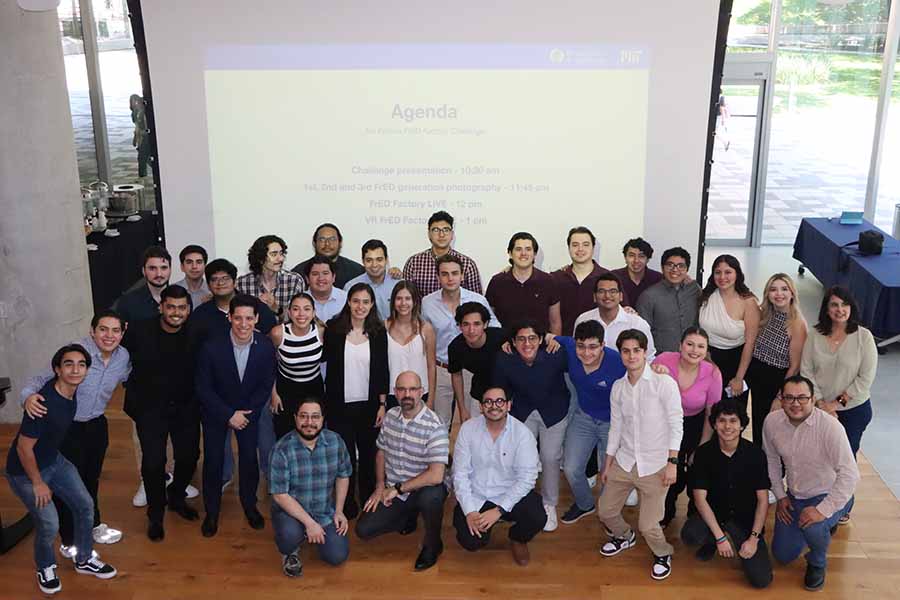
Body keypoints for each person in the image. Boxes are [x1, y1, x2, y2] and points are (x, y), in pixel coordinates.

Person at [6, 345, 117, 595]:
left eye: (81, 364)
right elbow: (24, 448)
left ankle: (84, 558)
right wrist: (38, 482)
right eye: (68, 364)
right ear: (57, 369)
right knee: (49, 524)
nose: (75, 369)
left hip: (54, 461)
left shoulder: (72, 389)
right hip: (24, 472)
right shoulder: (43, 404)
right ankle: (45, 567)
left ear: (87, 370)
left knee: (85, 505)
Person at [19, 311, 131, 556]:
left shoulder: (123, 357)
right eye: (103, 329)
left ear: (123, 333)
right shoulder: (74, 354)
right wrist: (27, 396)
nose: (109, 335)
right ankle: (69, 537)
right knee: (68, 484)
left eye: (115, 330)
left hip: (97, 424)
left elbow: (129, 378)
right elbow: (39, 378)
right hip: (67, 428)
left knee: (92, 478)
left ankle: (93, 525)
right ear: (92, 331)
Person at [597, 329, 682, 581]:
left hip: (656, 464)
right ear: (621, 354)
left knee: (648, 525)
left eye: (637, 350)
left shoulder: (663, 382)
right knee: (605, 511)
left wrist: (672, 463)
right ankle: (624, 536)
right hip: (624, 461)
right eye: (626, 351)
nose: (631, 355)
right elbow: (616, 426)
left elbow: (676, 423)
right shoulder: (618, 388)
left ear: (645, 352)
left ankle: (663, 553)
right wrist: (608, 463)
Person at [764, 375, 860, 592]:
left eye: (802, 398)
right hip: (794, 495)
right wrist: (780, 496)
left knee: (815, 526)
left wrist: (822, 510)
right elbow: (770, 460)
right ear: (781, 398)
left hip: (826, 493)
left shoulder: (830, 427)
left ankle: (817, 561)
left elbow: (850, 474)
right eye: (789, 397)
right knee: (783, 555)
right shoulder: (772, 422)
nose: (795, 403)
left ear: (813, 399)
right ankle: (820, 527)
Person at [122, 285, 201, 540]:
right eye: (171, 307)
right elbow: (116, 355)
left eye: (181, 308)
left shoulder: (196, 332)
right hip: (150, 407)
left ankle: (176, 497)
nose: (176, 313)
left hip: (185, 406)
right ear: (161, 307)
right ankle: (155, 514)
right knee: (154, 462)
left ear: (188, 310)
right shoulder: (139, 331)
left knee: (189, 456)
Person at [195, 294, 277, 537]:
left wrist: (246, 413)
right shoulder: (211, 346)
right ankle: (211, 512)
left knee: (249, 461)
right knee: (213, 462)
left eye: (249, 318)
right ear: (229, 317)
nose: (243, 324)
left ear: (257, 319)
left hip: (249, 413)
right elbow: (203, 387)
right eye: (238, 318)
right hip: (216, 412)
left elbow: (266, 384)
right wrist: (228, 414)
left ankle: (250, 505)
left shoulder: (264, 345)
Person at [356, 371, 449, 571]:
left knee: (432, 497)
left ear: (421, 392)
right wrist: (380, 485)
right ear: (395, 393)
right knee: (363, 530)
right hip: (394, 489)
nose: (407, 394)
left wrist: (398, 489)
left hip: (423, 487)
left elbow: (436, 475)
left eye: (413, 389)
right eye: (402, 389)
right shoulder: (390, 416)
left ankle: (433, 545)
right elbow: (381, 451)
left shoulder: (435, 425)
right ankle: (408, 516)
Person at [801, 286, 876, 525]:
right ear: (826, 308)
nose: (839, 309)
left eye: (844, 304)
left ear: (851, 308)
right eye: (834, 305)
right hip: (818, 407)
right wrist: (822, 403)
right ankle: (819, 501)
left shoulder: (864, 337)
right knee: (819, 457)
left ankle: (841, 508)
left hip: (853, 410)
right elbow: (806, 371)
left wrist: (835, 404)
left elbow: (865, 378)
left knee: (845, 460)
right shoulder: (814, 334)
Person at [681, 399, 772, 589]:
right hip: (715, 515)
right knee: (690, 534)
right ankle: (713, 540)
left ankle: (735, 539)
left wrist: (754, 539)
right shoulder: (704, 454)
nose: (727, 426)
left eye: (733, 420)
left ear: (742, 425)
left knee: (762, 580)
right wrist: (720, 537)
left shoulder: (756, 454)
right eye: (722, 420)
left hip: (744, 521)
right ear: (714, 424)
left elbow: (763, 501)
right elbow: (699, 498)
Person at [452, 386, 546, 565]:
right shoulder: (468, 429)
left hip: (508, 494)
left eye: (499, 401)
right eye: (488, 401)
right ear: (481, 406)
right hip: (477, 496)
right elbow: (460, 474)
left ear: (508, 405)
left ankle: (517, 538)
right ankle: (481, 523)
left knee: (537, 516)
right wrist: (470, 511)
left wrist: (499, 510)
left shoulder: (522, 434)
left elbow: (527, 479)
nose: (493, 406)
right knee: (471, 543)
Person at [493, 320, 570, 532]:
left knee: (549, 456)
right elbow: (500, 388)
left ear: (540, 340)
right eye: (521, 339)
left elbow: (580, 347)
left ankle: (549, 503)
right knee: (519, 455)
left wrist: (557, 338)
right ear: (513, 342)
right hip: (523, 411)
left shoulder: (555, 353)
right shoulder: (505, 358)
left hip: (553, 412)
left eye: (532, 338)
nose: (527, 343)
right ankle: (513, 498)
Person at [322, 283, 389, 519]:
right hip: (340, 405)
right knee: (346, 456)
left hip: (369, 405)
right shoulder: (334, 330)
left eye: (366, 302)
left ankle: (369, 498)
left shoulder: (379, 332)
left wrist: (382, 405)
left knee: (369, 455)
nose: (361, 306)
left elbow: (382, 371)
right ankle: (347, 500)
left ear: (372, 305)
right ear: (348, 302)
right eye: (356, 301)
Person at [269, 397, 351, 578]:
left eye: (315, 417)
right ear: (295, 418)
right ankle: (290, 551)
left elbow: (343, 475)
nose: (309, 422)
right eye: (303, 416)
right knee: (289, 535)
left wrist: (339, 511)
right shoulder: (281, 449)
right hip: (291, 513)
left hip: (323, 510)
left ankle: (312, 536)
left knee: (337, 556)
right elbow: (280, 495)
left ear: (323, 419)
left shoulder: (336, 442)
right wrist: (310, 524)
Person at [558, 320, 626, 525]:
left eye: (593, 347)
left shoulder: (618, 362)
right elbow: (545, 337)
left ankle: (608, 513)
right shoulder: (569, 347)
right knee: (570, 467)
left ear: (603, 345)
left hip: (612, 423)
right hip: (584, 417)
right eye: (581, 346)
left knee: (608, 474)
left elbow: (642, 372)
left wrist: (659, 369)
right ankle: (585, 503)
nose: (586, 353)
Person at [652, 327, 722, 527]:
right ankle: (666, 511)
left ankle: (695, 513)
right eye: (690, 344)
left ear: (706, 350)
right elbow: (644, 387)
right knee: (668, 468)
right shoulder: (663, 360)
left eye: (701, 346)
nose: (694, 350)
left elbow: (711, 414)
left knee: (696, 467)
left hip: (696, 423)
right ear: (680, 345)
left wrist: (701, 447)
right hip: (664, 422)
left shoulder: (713, 373)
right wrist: (653, 372)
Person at [421, 254, 498, 427]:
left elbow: (495, 329)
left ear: (462, 275)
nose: (450, 278)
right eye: (445, 274)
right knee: (439, 423)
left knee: (473, 420)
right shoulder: (427, 303)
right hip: (441, 369)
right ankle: (442, 454)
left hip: (471, 369)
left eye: (455, 273)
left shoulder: (477, 300)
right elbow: (423, 337)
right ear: (437, 276)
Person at [745, 273, 807, 445]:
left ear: (792, 293)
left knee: (774, 431)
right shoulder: (764, 314)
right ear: (767, 294)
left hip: (776, 380)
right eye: (773, 289)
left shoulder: (797, 323)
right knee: (759, 424)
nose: (779, 294)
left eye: (784, 289)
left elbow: (795, 367)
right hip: (756, 375)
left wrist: (781, 397)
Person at [698, 254, 759, 408]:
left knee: (732, 412)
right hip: (707, 359)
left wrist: (739, 377)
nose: (722, 277)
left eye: (728, 272)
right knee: (708, 408)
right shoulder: (707, 296)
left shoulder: (748, 302)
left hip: (736, 363)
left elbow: (750, 343)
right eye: (718, 272)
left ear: (737, 274)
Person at [268, 293, 325, 440]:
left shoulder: (321, 331)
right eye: (296, 309)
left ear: (313, 313)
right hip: (286, 388)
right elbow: (268, 364)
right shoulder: (278, 333)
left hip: (314, 387)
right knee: (285, 434)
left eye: (306, 309)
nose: (301, 314)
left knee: (313, 432)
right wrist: (274, 394)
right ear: (289, 312)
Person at [485, 232, 561, 334]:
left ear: (534, 254)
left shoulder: (548, 281)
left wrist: (554, 345)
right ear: (510, 253)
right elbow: (489, 319)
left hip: (540, 346)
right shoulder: (497, 282)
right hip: (505, 346)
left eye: (528, 249)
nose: (523, 253)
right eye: (518, 249)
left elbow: (555, 322)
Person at [574, 273, 657, 360]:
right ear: (594, 296)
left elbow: (649, 358)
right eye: (601, 291)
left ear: (621, 296)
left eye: (613, 291)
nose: (607, 296)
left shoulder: (637, 324)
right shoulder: (583, 320)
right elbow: (577, 350)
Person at [448, 302, 507, 422]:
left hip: (507, 394)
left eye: (477, 324)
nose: (471, 330)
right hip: (479, 393)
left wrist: (551, 338)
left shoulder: (501, 336)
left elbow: (529, 337)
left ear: (485, 324)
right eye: (466, 324)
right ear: (459, 326)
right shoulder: (455, 347)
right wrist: (462, 408)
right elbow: (456, 375)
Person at [635, 246, 701, 353]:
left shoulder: (695, 290)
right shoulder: (648, 296)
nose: (675, 269)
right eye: (670, 265)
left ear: (687, 269)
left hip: (692, 356)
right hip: (661, 358)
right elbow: (642, 333)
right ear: (662, 268)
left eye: (681, 266)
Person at [403, 210, 483, 296]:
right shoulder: (414, 263)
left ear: (452, 234)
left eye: (446, 229)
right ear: (429, 234)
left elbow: (476, 300)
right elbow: (407, 297)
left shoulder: (467, 264)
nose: (441, 235)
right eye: (436, 230)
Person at [385, 281, 437, 410]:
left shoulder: (426, 329)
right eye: (399, 298)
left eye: (408, 298)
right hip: (392, 394)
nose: (403, 303)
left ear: (415, 302)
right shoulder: (383, 327)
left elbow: (431, 366)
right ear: (393, 301)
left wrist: (430, 400)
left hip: (420, 394)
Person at [551, 226, 611, 336]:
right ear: (568, 247)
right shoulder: (555, 279)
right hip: (564, 346)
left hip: (598, 347)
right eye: (575, 245)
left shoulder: (608, 278)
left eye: (585, 245)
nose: (580, 249)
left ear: (593, 247)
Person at [236, 234, 306, 321]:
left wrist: (276, 308)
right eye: (274, 254)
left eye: (281, 253)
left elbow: (299, 319)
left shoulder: (294, 281)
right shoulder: (242, 283)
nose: (280, 259)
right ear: (260, 258)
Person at [292, 223, 365, 289]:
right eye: (322, 239)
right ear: (314, 243)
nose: (327, 244)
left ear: (340, 243)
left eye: (332, 239)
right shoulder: (299, 273)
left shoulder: (357, 272)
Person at [113, 245, 171, 325]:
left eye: (163, 268)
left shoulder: (181, 299)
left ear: (170, 270)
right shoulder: (127, 303)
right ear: (143, 271)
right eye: (152, 268)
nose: (159, 274)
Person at [345, 239, 401, 320]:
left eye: (379, 259)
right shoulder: (351, 286)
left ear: (386, 260)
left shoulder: (398, 285)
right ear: (363, 261)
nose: (374, 265)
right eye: (369, 260)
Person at [611, 237, 663, 308]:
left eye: (641, 256)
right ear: (625, 258)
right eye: (631, 255)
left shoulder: (658, 279)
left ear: (647, 259)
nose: (636, 261)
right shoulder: (613, 277)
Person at [305, 254, 348, 323]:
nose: (321, 278)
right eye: (315, 274)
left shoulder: (346, 299)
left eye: (325, 273)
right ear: (307, 279)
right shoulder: (298, 302)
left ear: (333, 277)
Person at [172, 244, 211, 308]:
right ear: (182, 267)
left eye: (199, 262)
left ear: (205, 266)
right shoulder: (173, 290)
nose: (194, 266)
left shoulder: (212, 291)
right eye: (189, 262)